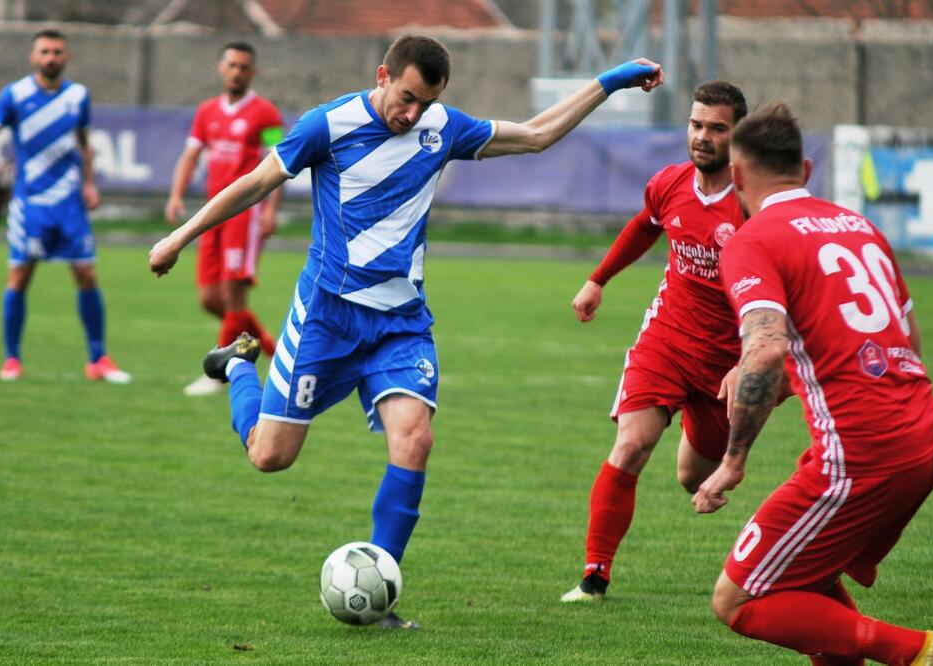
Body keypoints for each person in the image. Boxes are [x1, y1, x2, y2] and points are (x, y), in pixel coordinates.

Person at [149, 35, 663, 628]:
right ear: (383, 75)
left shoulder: (442, 127)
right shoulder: (328, 125)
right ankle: (239, 363)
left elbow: (537, 134)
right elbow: (254, 183)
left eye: (426, 103)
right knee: (270, 457)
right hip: (327, 317)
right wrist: (177, 238)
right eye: (407, 98)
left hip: (400, 323)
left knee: (414, 440)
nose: (413, 114)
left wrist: (612, 80)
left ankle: (382, 595)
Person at [694, 101, 933, 665]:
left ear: (737, 176)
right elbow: (907, 342)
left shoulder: (754, 239)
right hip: (925, 438)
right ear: (807, 170)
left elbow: (764, 351)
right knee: (806, 579)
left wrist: (732, 459)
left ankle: (919, 651)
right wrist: (800, 379)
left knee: (738, 599)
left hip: (860, 452)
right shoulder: (860, 226)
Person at [561, 81, 748, 602]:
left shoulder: (753, 206)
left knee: (692, 478)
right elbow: (645, 227)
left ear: (739, 136)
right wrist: (599, 278)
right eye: (695, 125)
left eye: (716, 128)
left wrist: (758, 361)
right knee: (632, 444)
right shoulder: (669, 183)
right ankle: (594, 576)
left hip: (727, 365)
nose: (702, 137)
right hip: (666, 341)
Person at [0, 29, 129, 384]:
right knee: (20, 276)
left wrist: (90, 183)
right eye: (45, 51)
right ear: (34, 57)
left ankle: (98, 359)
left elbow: (84, 142)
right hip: (30, 203)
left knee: (86, 275)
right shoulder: (15, 95)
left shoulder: (78, 96)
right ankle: (12, 359)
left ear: (67, 57)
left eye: (57, 52)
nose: (51, 57)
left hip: (70, 204)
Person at [166, 42, 284, 396]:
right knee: (208, 298)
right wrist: (175, 195)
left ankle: (218, 372)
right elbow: (190, 156)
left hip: (244, 215)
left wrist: (271, 209)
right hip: (212, 215)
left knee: (234, 295)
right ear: (222, 68)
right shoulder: (206, 112)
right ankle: (272, 349)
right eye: (232, 65)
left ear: (253, 72)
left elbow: (280, 162)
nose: (237, 71)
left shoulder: (266, 114)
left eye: (244, 67)